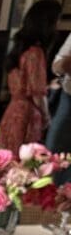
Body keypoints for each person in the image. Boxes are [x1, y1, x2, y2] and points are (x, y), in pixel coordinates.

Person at [0, 0, 61, 154]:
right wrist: (47, 117)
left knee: (6, 159)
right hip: (27, 115)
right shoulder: (35, 52)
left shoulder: (21, 49)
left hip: (12, 111)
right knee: (21, 163)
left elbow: (25, 85)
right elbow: (37, 93)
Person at [46, 30, 71, 184]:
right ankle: (53, 196)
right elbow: (56, 66)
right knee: (54, 148)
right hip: (68, 100)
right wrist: (66, 63)